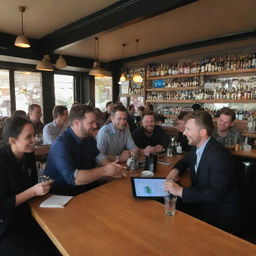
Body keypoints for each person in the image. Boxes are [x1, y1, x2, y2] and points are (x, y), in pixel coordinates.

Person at [164, 111, 240, 233]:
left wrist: (180, 191)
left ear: (202, 132)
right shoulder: (198, 146)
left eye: (188, 129)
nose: (184, 133)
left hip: (219, 218)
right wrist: (174, 171)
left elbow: (215, 194)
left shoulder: (219, 156)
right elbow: (184, 162)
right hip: (201, 207)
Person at [0, 117, 57, 255]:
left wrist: (43, 187)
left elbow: (31, 184)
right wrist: (33, 191)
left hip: (29, 216)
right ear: (12, 140)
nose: (34, 140)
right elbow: (2, 206)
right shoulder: (2, 162)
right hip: (8, 228)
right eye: (28, 137)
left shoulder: (28, 154)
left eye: (33, 135)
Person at [45, 104, 125, 195]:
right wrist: (105, 170)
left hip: (86, 189)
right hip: (64, 195)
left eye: (95, 122)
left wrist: (112, 168)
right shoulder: (60, 144)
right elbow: (75, 179)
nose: (95, 126)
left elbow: (97, 156)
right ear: (77, 123)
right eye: (91, 122)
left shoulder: (88, 137)